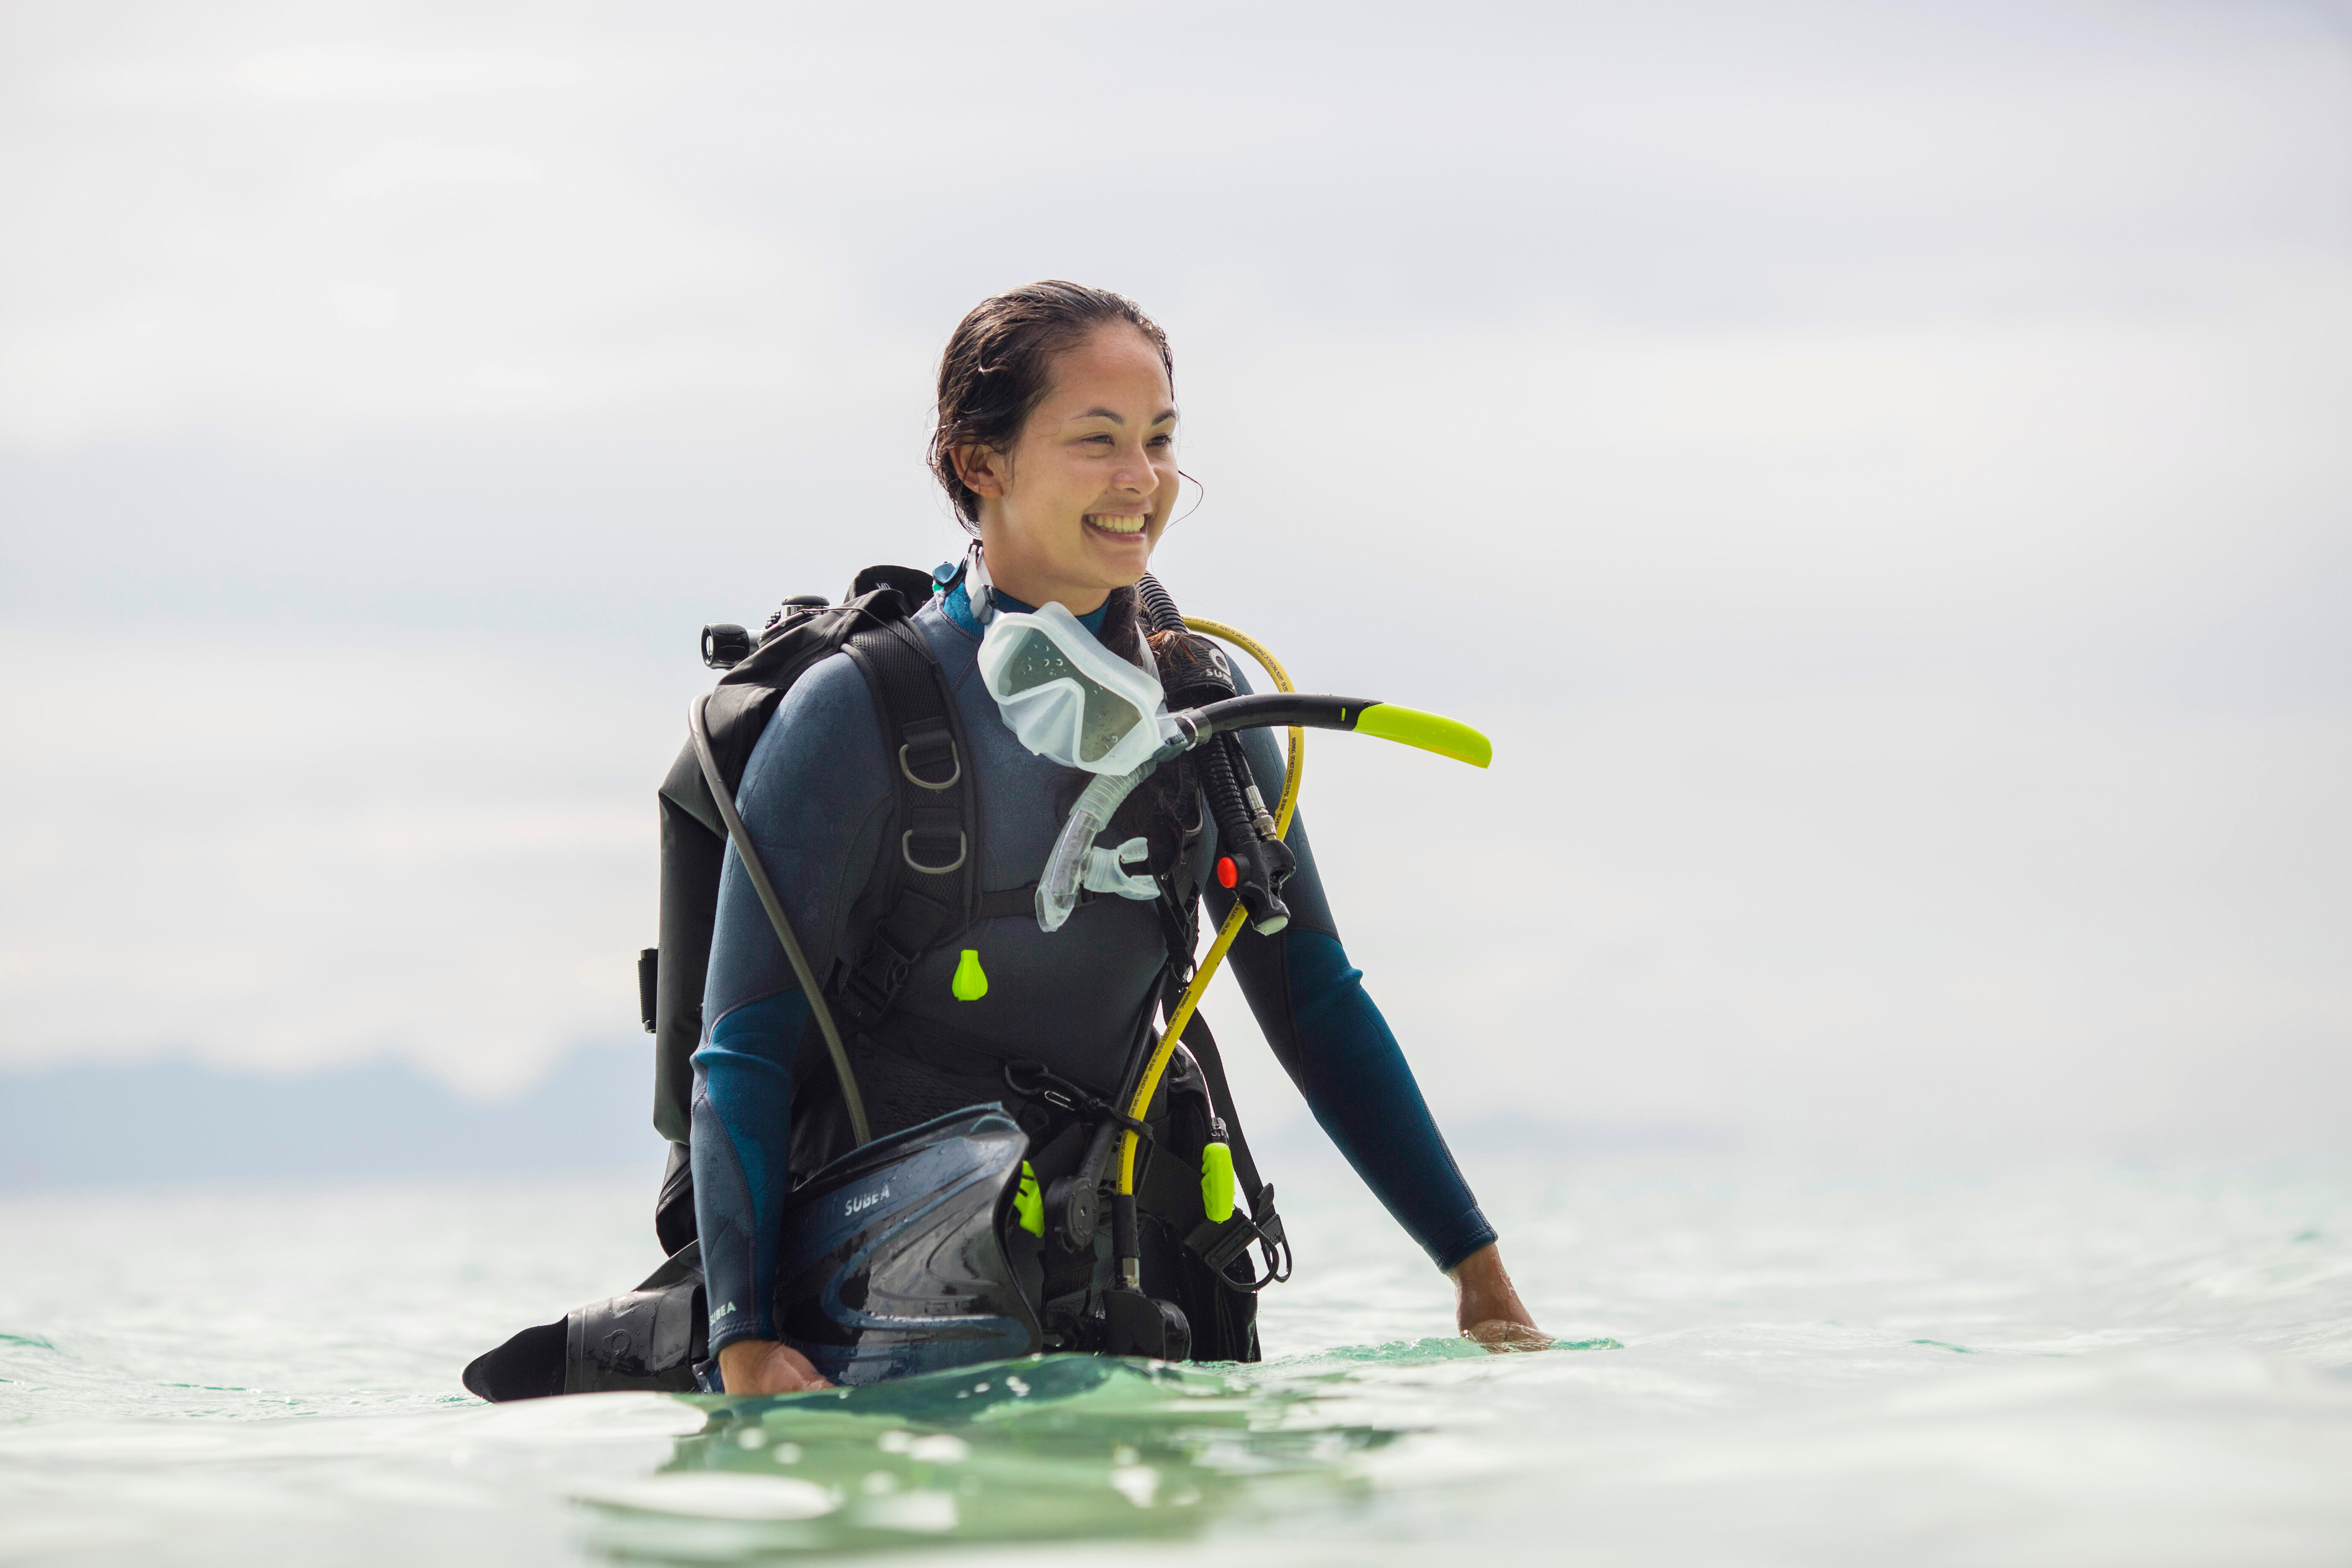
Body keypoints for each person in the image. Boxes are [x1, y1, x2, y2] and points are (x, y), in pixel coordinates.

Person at [696, 281, 1545, 1395]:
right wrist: (748, 1343)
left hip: (1120, 1279)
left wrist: (1480, 1279)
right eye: (1098, 442)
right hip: (878, 1321)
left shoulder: (1200, 701)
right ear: (978, 462)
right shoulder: (862, 713)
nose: (1142, 481)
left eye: (1159, 441)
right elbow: (742, 1052)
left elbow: (1317, 1004)